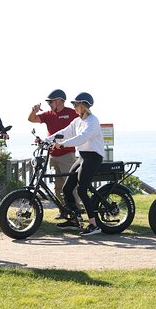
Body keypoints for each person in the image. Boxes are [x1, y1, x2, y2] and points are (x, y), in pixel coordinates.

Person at [46, 92, 104, 236]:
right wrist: (47, 140)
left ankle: (93, 225)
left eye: (76, 104)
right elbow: (64, 132)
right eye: (73, 104)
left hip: (93, 157)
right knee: (67, 188)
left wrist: (63, 145)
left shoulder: (92, 121)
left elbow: (82, 138)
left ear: (84, 106)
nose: (74, 107)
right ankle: (74, 220)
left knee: (81, 190)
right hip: (82, 156)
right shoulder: (77, 121)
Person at [28, 89, 80, 219]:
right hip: (53, 155)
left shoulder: (71, 113)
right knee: (58, 186)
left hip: (67, 154)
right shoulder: (49, 114)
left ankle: (75, 212)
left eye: (51, 101)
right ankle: (63, 210)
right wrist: (34, 110)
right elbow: (31, 119)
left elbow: (83, 122)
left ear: (59, 101)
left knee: (70, 185)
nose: (49, 104)